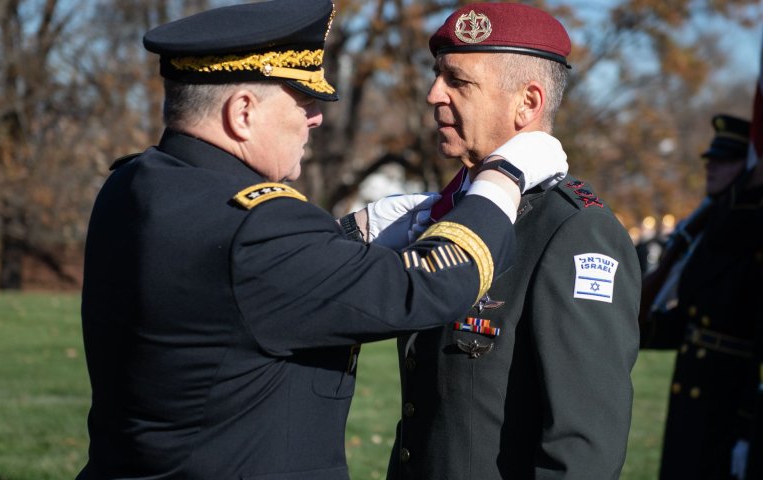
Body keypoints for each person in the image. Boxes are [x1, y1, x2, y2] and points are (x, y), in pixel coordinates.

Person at [76, 0, 570, 479]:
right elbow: (435, 283)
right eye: (304, 100)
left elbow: (242, 280)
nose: (315, 118)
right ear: (242, 112)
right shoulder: (256, 225)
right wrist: (503, 175)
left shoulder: (138, 182)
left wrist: (355, 233)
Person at [386, 3, 641, 479]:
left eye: (457, 81)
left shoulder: (573, 232)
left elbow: (582, 449)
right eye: (437, 76)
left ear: (527, 102)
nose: (432, 94)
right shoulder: (452, 213)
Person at [641, 114, 763, 479]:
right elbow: (696, 318)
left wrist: (748, 425)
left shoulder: (749, 231)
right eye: (712, 158)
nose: (711, 166)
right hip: (694, 393)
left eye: (725, 161)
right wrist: (640, 329)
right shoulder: (708, 225)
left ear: (751, 168)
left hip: (729, 399)